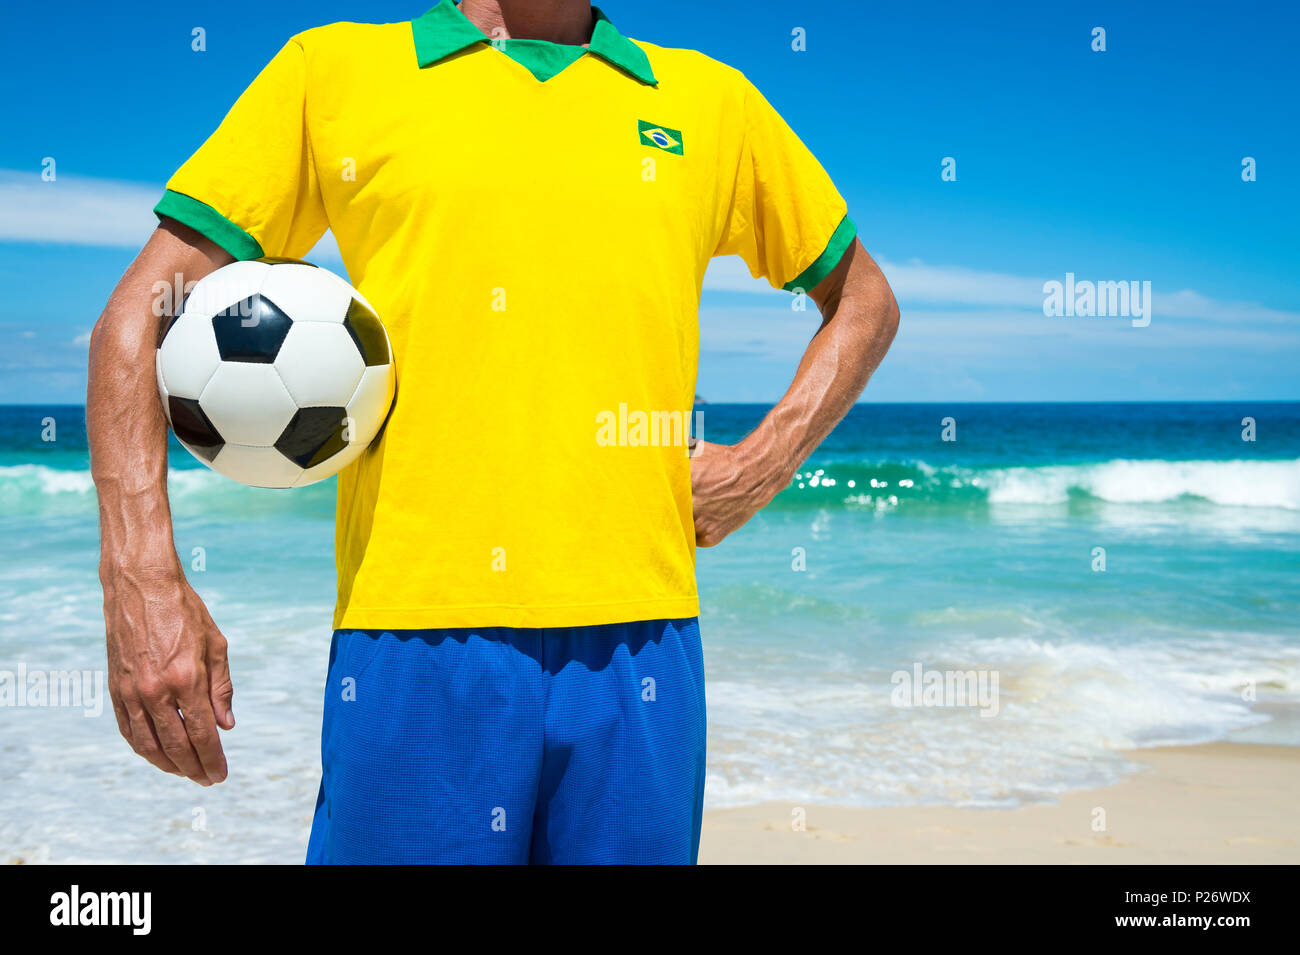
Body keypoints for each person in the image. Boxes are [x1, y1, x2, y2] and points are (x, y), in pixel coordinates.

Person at [87, 0, 899, 864]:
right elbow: (138, 314)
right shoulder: (332, 72)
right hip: (410, 642)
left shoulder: (711, 101)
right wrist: (139, 575)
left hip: (646, 647)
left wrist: (763, 463)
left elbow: (864, 300)